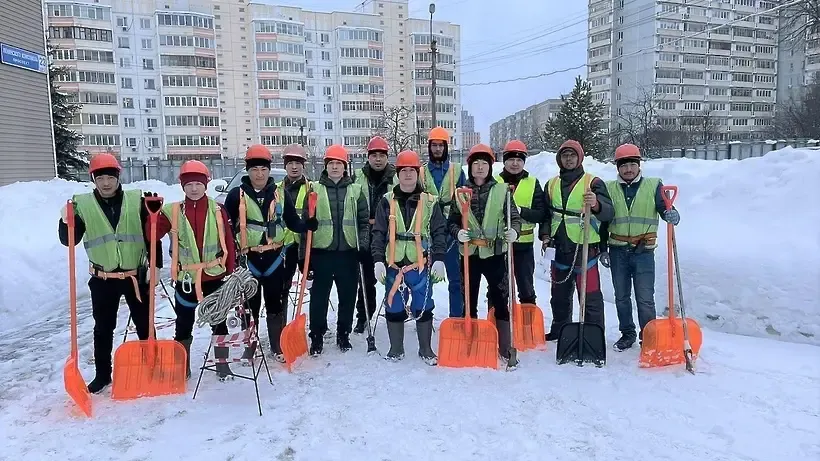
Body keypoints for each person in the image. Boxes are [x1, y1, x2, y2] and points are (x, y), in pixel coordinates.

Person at [58, 153, 155, 394]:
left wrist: (155, 266)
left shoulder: (136, 200)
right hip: (103, 279)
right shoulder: (84, 205)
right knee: (103, 328)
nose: (106, 183)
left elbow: (153, 235)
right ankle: (103, 375)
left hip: (135, 276)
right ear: (93, 179)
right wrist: (64, 221)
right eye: (100, 177)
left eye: (110, 177)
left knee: (145, 323)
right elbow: (68, 241)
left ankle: (152, 366)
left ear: (118, 177)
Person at [222, 144, 317, 362]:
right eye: (255, 169)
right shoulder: (236, 196)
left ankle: (277, 346)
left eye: (263, 169)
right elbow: (226, 228)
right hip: (250, 259)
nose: (259, 174)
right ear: (248, 170)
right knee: (249, 305)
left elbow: (292, 221)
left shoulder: (281, 194)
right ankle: (250, 346)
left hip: (275, 258)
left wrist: (307, 225)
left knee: (275, 303)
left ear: (268, 170)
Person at [147, 160, 237, 380]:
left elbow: (228, 241)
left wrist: (230, 269)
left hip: (213, 275)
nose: (194, 188)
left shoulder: (218, 210)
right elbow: (152, 236)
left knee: (218, 321)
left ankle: (222, 364)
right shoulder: (172, 211)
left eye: (198, 183)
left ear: (206, 184)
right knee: (183, 323)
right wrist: (150, 215)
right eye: (189, 184)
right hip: (186, 278)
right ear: (182, 186)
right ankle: (182, 366)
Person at [601, 143, 680, 351]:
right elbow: (602, 221)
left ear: (639, 165)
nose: (628, 169)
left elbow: (665, 207)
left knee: (645, 298)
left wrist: (672, 214)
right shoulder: (608, 188)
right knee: (621, 296)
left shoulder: (654, 185)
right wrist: (602, 249)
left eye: (632, 164)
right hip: (617, 250)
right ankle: (627, 334)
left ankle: (649, 335)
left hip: (644, 251)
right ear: (617, 167)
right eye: (624, 165)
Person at [371, 150, 447, 365]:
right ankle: (396, 348)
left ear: (417, 173)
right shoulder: (386, 201)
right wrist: (378, 260)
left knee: (424, 305)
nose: (407, 175)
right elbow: (378, 233)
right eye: (403, 170)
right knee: (394, 305)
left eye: (411, 171)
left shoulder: (431, 202)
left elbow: (439, 231)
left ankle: (425, 349)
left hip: (420, 266)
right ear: (397, 174)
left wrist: (439, 258)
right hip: (394, 266)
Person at [448, 144, 521, 361]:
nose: (480, 168)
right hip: (469, 255)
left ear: (490, 167)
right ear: (470, 167)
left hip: (495, 253)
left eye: (484, 164)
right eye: (476, 164)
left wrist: (514, 232)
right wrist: (457, 232)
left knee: (500, 298)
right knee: (467, 299)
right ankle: (470, 339)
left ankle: (505, 346)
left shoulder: (502, 191)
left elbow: (513, 217)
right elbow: (451, 220)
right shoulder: (460, 193)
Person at [539, 140, 614, 341]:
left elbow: (608, 213)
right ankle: (559, 329)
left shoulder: (593, 183)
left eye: (573, 155)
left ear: (579, 158)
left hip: (585, 249)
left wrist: (597, 204)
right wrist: (545, 236)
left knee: (590, 296)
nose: (569, 159)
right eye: (565, 155)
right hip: (559, 247)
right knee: (559, 295)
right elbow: (546, 215)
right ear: (559, 159)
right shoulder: (551, 184)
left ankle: (593, 334)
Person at [306, 144, 369, 356]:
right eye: (331, 163)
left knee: (348, 296)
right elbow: (304, 225)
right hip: (322, 252)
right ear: (326, 166)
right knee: (319, 298)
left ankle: (344, 333)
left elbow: (363, 222)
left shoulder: (356, 190)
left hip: (348, 253)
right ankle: (316, 334)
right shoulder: (313, 189)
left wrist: (363, 245)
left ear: (345, 167)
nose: (335, 167)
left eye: (338, 164)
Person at [351, 136, 397, 334]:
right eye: (374, 155)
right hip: (365, 233)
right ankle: (364, 316)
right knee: (366, 280)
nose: (378, 159)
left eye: (381, 155)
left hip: (391, 234)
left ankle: (395, 313)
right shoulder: (358, 177)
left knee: (394, 277)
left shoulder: (396, 177)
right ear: (368, 157)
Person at [494, 140, 548, 305]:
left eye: (519, 160)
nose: (515, 163)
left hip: (524, 244)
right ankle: (500, 323)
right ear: (505, 161)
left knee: (526, 288)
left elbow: (541, 214)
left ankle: (527, 327)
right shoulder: (495, 182)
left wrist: (521, 210)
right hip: (500, 244)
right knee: (498, 288)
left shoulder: (532, 183)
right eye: (511, 159)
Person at [419, 126, 466, 318]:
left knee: (456, 280)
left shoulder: (456, 170)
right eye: (434, 145)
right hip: (428, 232)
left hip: (451, 232)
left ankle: (456, 317)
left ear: (447, 147)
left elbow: (465, 200)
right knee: (425, 278)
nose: (438, 149)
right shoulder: (421, 172)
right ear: (429, 147)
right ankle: (425, 316)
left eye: (441, 145)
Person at [277, 144, 311, 319]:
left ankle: (316, 323)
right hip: (285, 247)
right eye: (290, 163)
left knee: (313, 286)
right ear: (285, 165)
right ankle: (281, 324)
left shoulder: (312, 189)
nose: (294, 167)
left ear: (303, 165)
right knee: (283, 287)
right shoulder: (276, 190)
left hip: (307, 245)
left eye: (298, 163)